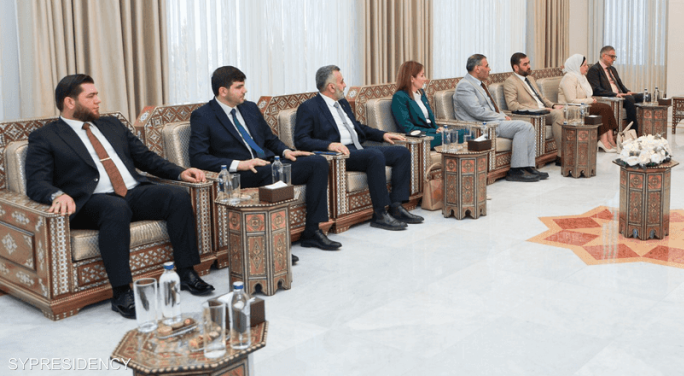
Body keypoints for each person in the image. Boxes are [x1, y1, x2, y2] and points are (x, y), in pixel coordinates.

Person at [26, 75, 215, 319]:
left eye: (97, 95)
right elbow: (36, 182)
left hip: (132, 192)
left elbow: (145, 158)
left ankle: (187, 272)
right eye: (91, 96)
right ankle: (122, 292)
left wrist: (179, 172)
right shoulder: (46, 136)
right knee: (115, 208)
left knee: (176, 196)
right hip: (91, 202)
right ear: (70, 102)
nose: (98, 100)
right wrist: (57, 194)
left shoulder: (111, 124)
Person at [189, 66, 340, 251]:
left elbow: (270, 139)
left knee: (317, 162)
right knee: (275, 175)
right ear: (223, 91)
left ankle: (313, 231)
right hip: (243, 173)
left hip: (268, 164)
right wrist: (240, 164)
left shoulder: (250, 108)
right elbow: (198, 158)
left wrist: (286, 152)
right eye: (239, 87)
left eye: (244, 86)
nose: (245, 90)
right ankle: (275, 247)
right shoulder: (203, 116)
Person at [294, 65, 422, 231]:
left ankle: (396, 206)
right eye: (342, 82)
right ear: (331, 87)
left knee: (401, 152)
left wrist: (383, 135)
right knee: (374, 156)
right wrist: (329, 145)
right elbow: (301, 140)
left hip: (359, 147)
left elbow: (358, 127)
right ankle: (380, 214)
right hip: (341, 154)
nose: (345, 85)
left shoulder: (342, 103)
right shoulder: (309, 107)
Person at [453, 54, 546, 183]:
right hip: (480, 126)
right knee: (523, 127)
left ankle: (528, 167)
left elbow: (492, 107)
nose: (489, 69)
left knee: (528, 126)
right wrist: (502, 117)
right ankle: (516, 170)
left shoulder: (479, 84)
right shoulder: (465, 86)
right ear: (477, 68)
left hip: (492, 122)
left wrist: (503, 115)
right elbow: (477, 111)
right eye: (487, 66)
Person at [391, 60, 469, 148]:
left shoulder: (421, 93)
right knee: (456, 135)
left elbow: (430, 119)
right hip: (419, 138)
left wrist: (437, 128)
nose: (425, 79)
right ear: (412, 79)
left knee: (466, 133)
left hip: (432, 134)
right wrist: (434, 131)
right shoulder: (399, 97)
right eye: (422, 75)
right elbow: (408, 128)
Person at [503, 52, 565, 160]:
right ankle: (561, 155)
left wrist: (553, 105)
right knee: (557, 114)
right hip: (533, 115)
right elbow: (512, 105)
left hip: (544, 111)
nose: (529, 66)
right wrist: (541, 109)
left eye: (529, 63)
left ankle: (573, 149)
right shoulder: (510, 82)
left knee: (568, 110)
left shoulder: (530, 79)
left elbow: (541, 98)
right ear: (516, 67)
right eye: (525, 64)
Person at [558, 54, 619, 152]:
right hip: (572, 109)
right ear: (576, 66)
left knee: (606, 107)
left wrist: (590, 100)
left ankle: (610, 139)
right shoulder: (569, 78)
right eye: (584, 65)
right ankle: (604, 141)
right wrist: (590, 100)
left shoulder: (581, 77)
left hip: (582, 106)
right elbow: (571, 100)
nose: (587, 67)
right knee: (603, 108)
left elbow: (585, 95)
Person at [586, 45, 643, 130]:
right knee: (630, 99)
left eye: (614, 57)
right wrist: (614, 94)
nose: (614, 59)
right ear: (604, 56)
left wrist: (627, 91)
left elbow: (620, 84)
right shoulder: (594, 70)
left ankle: (646, 130)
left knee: (644, 96)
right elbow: (596, 90)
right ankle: (633, 131)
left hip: (621, 96)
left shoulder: (612, 69)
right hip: (612, 97)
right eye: (612, 57)